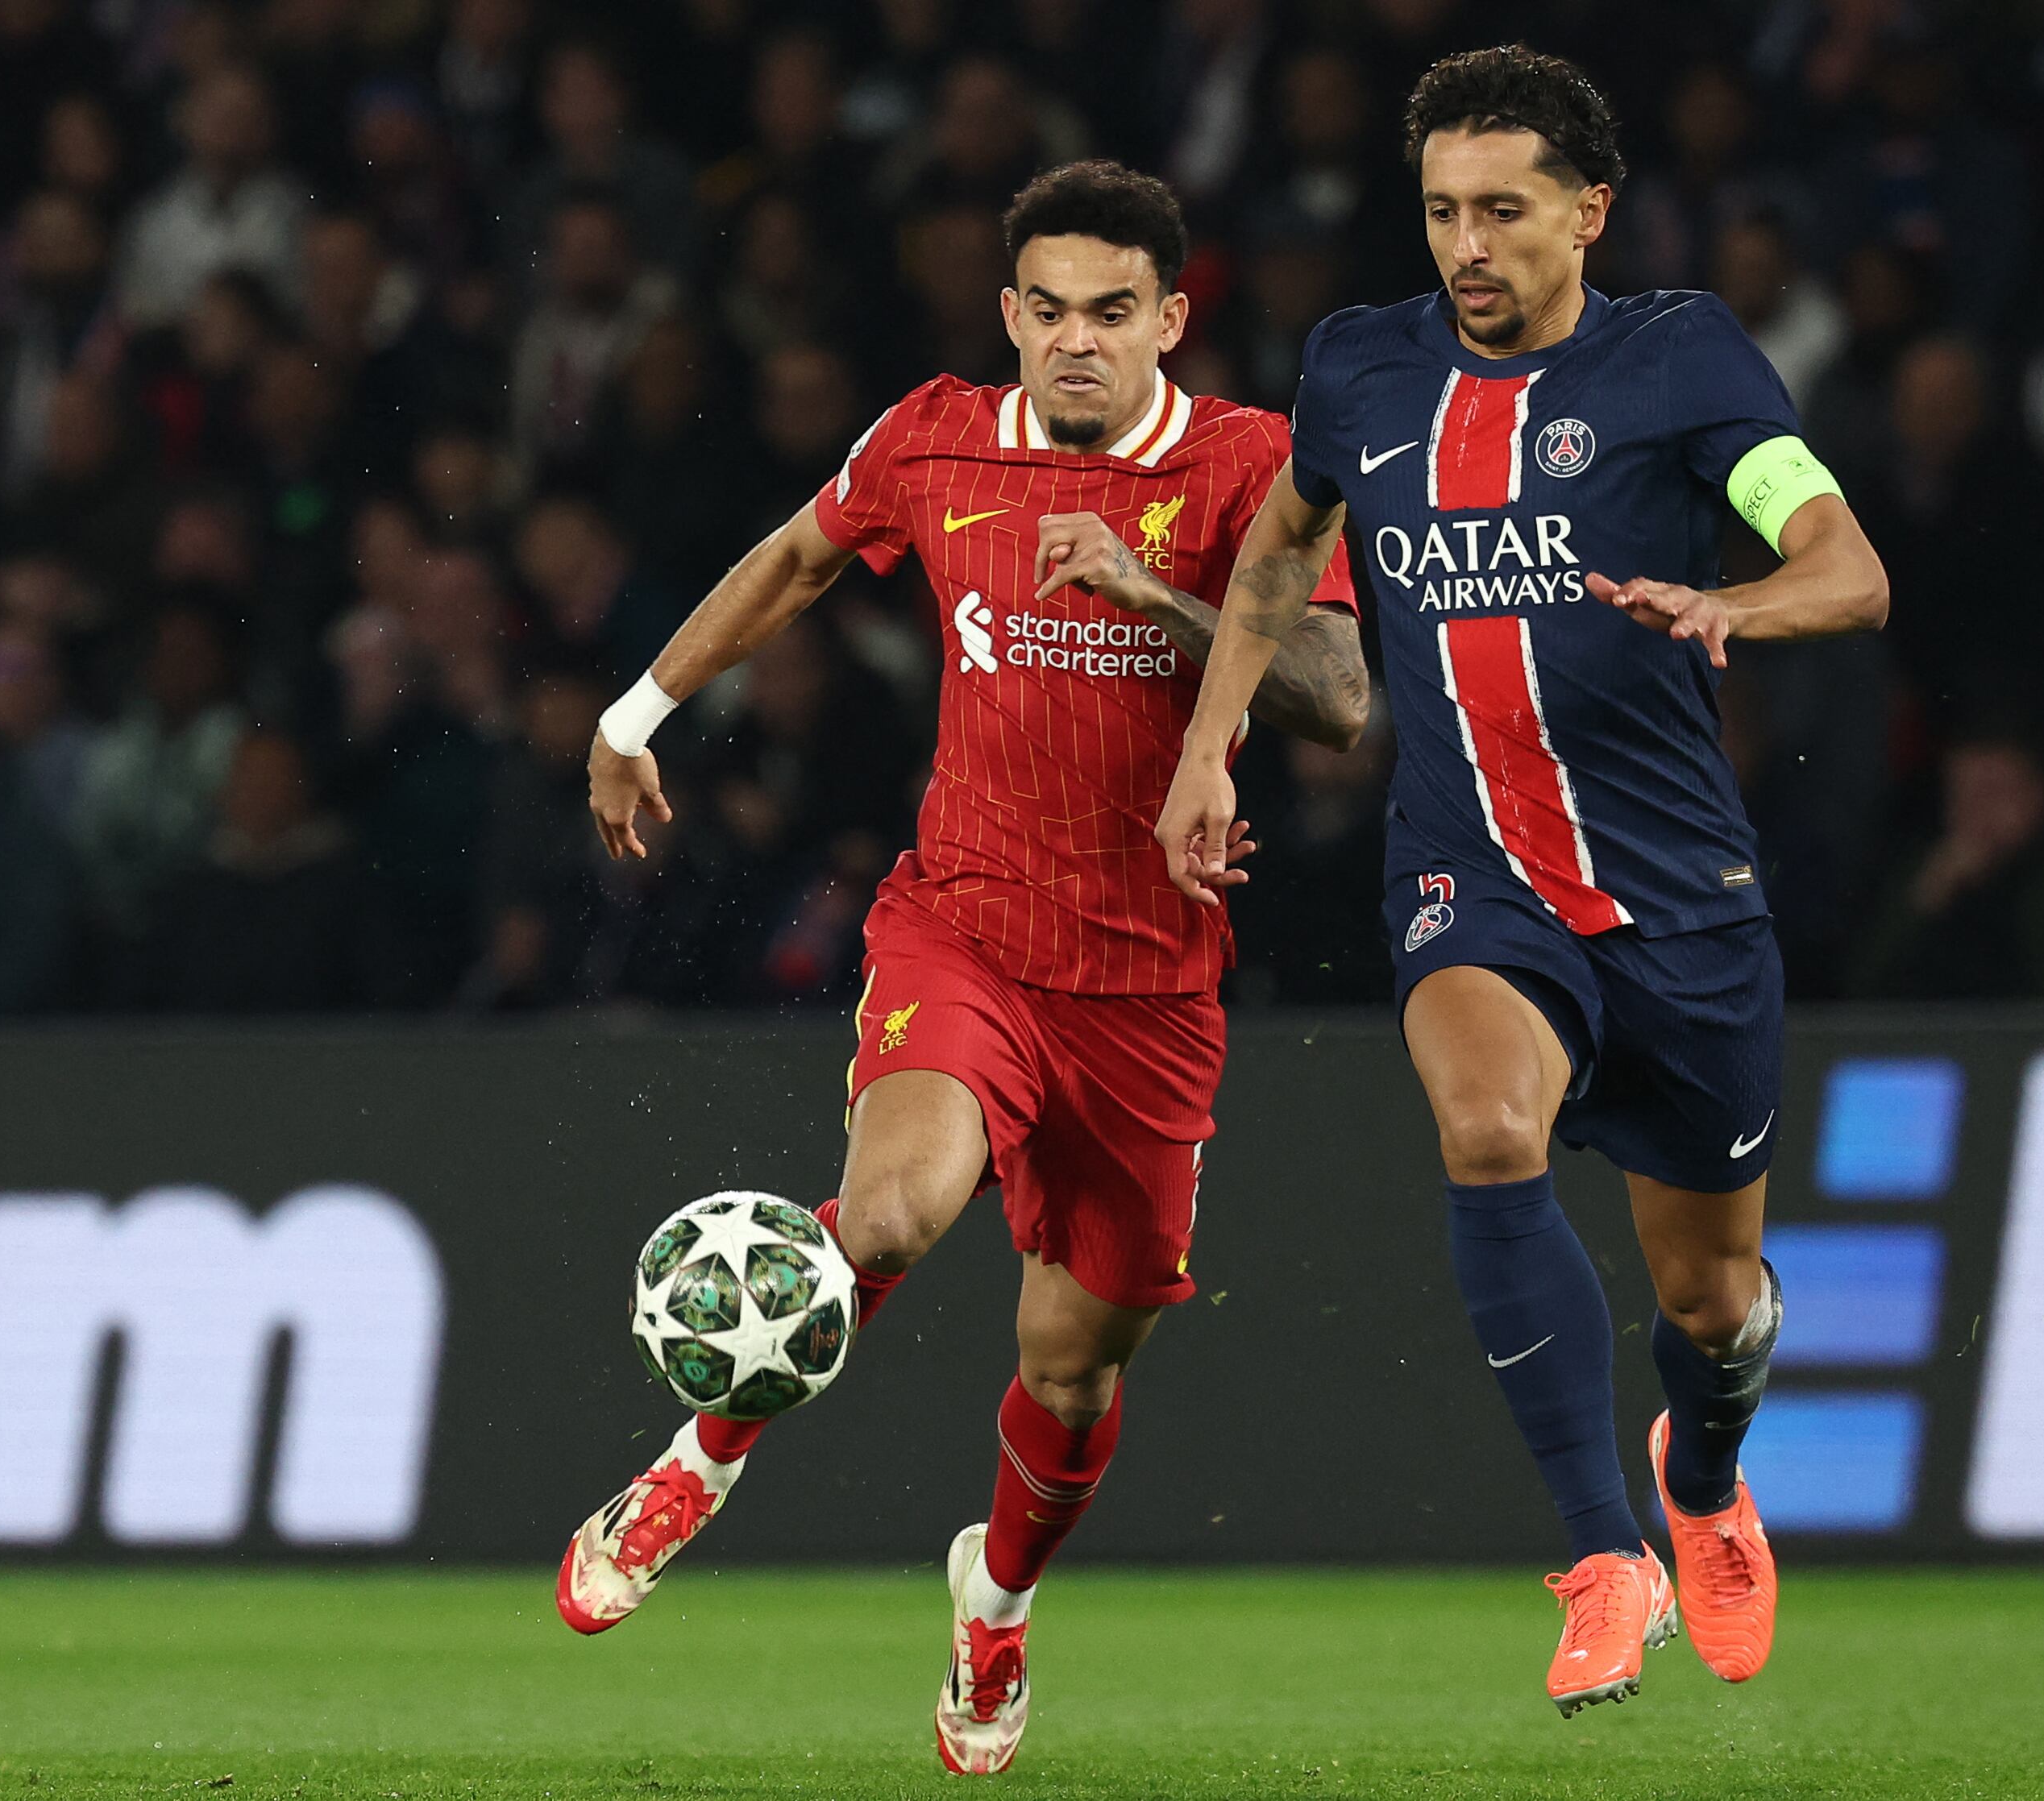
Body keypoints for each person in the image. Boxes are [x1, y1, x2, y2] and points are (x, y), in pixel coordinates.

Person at [553, 160, 1368, 1774]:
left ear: (1171, 319)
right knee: (890, 1211)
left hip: (1148, 987)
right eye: (1048, 310)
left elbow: (1339, 693)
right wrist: (633, 714)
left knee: (1071, 1371)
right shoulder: (931, 434)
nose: (1077, 341)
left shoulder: (1248, 468)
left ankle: (992, 1601)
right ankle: (700, 1457)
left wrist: (1153, 589)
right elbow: (795, 557)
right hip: (966, 928)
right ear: (1009, 314)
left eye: (1111, 313)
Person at [1156, 48, 1888, 1712]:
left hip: (1682, 898)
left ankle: (1700, 1477)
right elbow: (1281, 546)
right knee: (1486, 1126)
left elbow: (1844, 567)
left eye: (1501, 210)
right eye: (1439, 212)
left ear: (1589, 212)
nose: (1465, 245)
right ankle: (1600, 1550)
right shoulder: (1358, 369)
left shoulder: (1683, 361)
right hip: (1470, 872)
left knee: (1711, 1304)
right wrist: (1208, 747)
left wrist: (1736, 608)